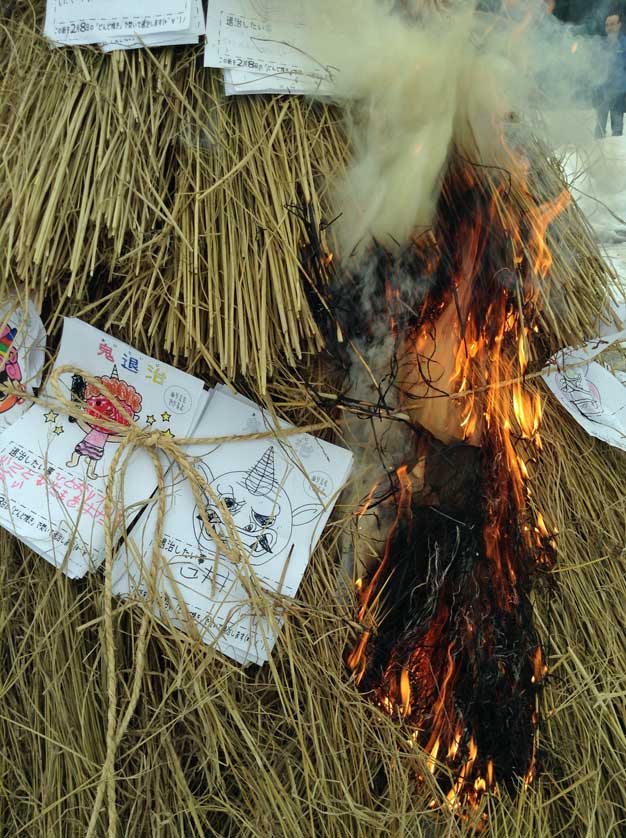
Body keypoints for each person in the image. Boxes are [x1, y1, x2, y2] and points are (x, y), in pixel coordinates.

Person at [594, 9, 626, 137]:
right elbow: (594, 69)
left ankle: (615, 156)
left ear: (619, 25)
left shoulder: (625, 44)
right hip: (602, 92)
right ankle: (597, 155)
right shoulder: (600, 45)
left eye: (612, 24)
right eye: (607, 25)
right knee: (599, 129)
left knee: (617, 128)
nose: (609, 28)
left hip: (619, 93)